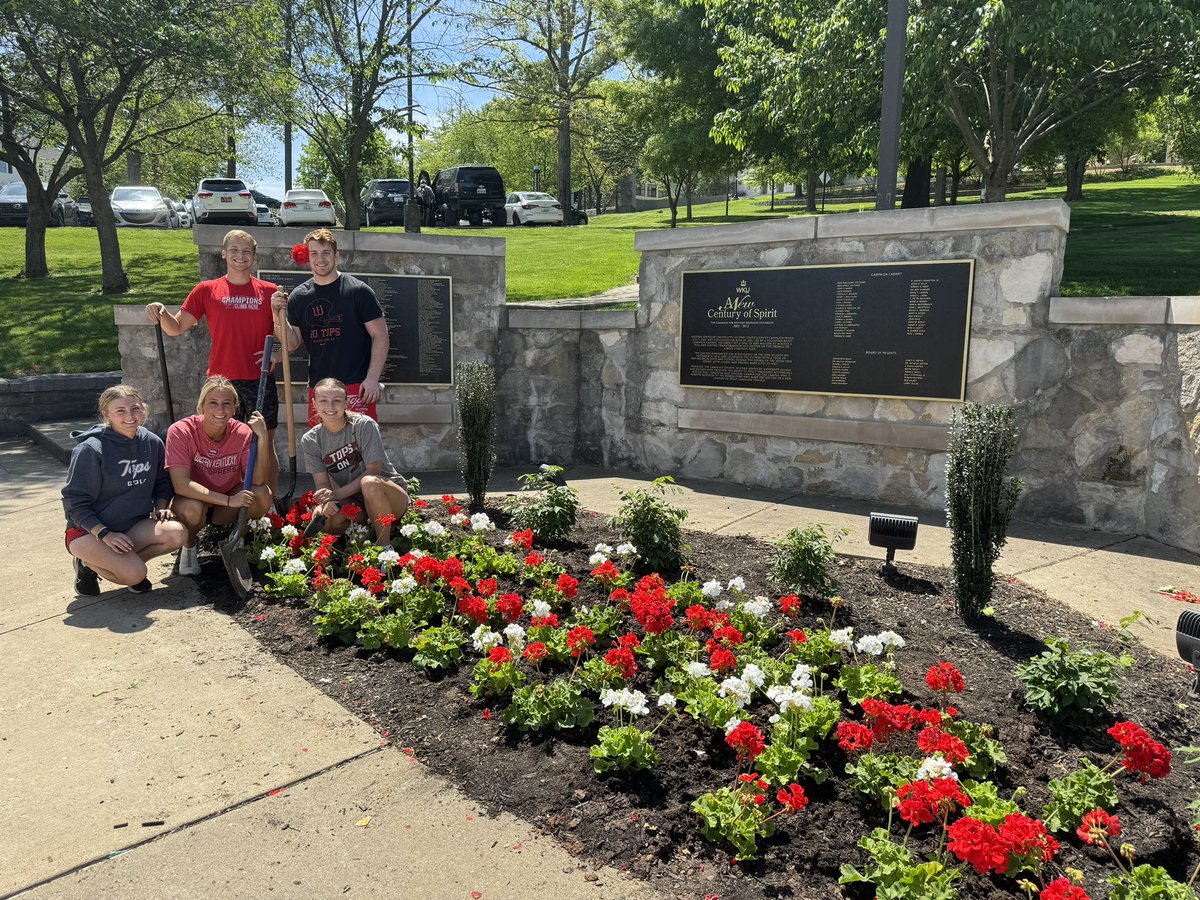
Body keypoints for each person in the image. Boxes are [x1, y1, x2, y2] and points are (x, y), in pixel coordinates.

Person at [145, 229, 282, 489]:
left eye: (246, 251)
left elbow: (286, 335)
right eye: (234, 250)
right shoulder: (206, 290)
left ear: (254, 257)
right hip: (221, 382)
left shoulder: (269, 292)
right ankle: (228, 500)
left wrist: (275, 352)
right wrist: (160, 310)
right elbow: (175, 327)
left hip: (259, 380)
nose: (240, 256)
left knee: (264, 441)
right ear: (223, 254)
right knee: (223, 444)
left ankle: (268, 505)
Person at [62, 385, 188, 596]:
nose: (130, 415)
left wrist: (160, 506)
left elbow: (163, 481)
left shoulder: (152, 442)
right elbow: (73, 502)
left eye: (135, 408)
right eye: (120, 410)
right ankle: (87, 563)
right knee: (135, 574)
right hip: (88, 531)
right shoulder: (90, 450)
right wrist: (104, 534)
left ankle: (121, 562)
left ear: (143, 410)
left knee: (177, 534)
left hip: (130, 526)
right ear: (106, 414)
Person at [272, 228, 389, 427]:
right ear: (307, 257)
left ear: (336, 255)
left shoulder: (358, 291)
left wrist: (372, 378)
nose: (320, 259)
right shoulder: (299, 297)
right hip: (320, 390)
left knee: (359, 448)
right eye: (314, 253)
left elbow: (381, 336)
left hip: (356, 386)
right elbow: (291, 344)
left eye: (326, 253)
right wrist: (277, 315)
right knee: (322, 450)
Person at [166, 376, 273, 575]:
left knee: (262, 494)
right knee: (192, 509)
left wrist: (263, 437)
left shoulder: (242, 432)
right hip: (195, 499)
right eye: (213, 403)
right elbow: (181, 485)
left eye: (226, 404)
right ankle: (189, 546)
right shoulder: (180, 431)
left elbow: (258, 481)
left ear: (235, 408)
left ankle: (236, 539)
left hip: (226, 504)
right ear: (201, 407)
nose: (220, 410)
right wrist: (229, 500)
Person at [301, 378, 409, 546]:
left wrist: (336, 495)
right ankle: (360, 538)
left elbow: (374, 471)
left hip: (389, 497)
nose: (330, 406)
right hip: (354, 500)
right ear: (314, 403)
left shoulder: (364, 425)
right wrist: (327, 501)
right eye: (323, 401)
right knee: (327, 520)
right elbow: (322, 483)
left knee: (369, 483)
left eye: (336, 401)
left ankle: (384, 548)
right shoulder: (310, 440)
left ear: (346, 402)